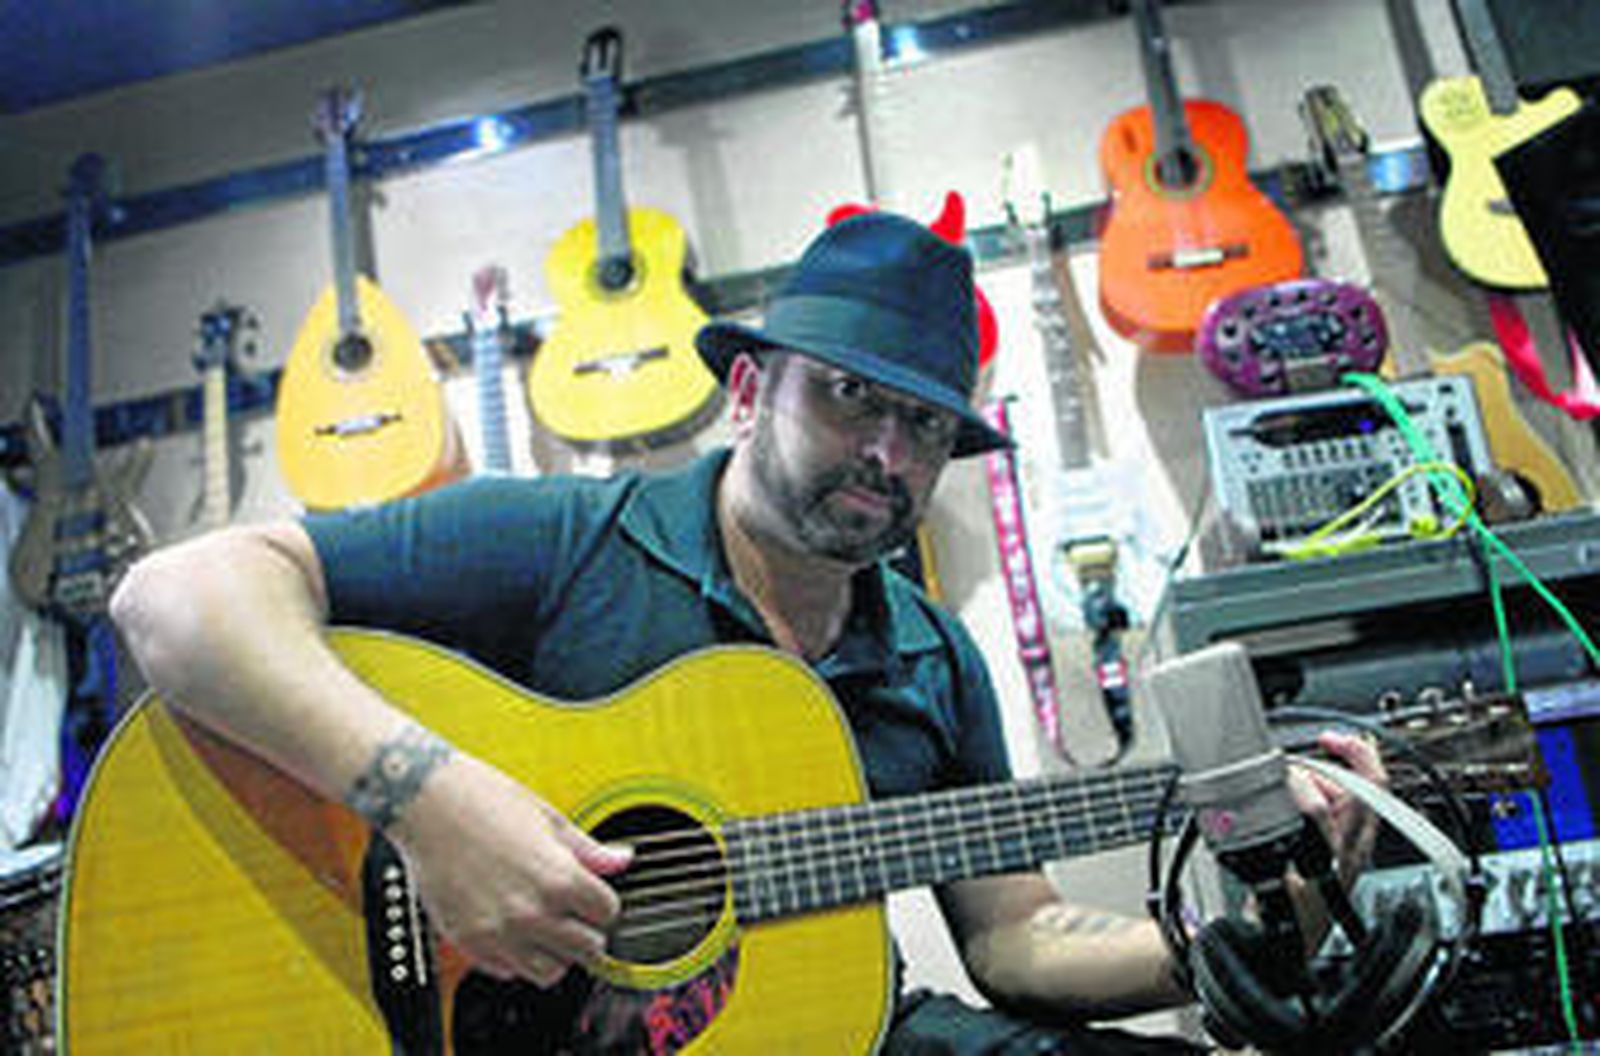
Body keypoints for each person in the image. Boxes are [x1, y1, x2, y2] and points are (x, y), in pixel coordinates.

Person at [111, 210, 1382, 1053]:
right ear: (746, 389)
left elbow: (1013, 938)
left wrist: (1211, 949)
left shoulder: (934, 658)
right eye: (848, 400)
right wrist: (429, 804)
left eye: (925, 427)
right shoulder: (564, 540)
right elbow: (173, 600)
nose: (887, 455)